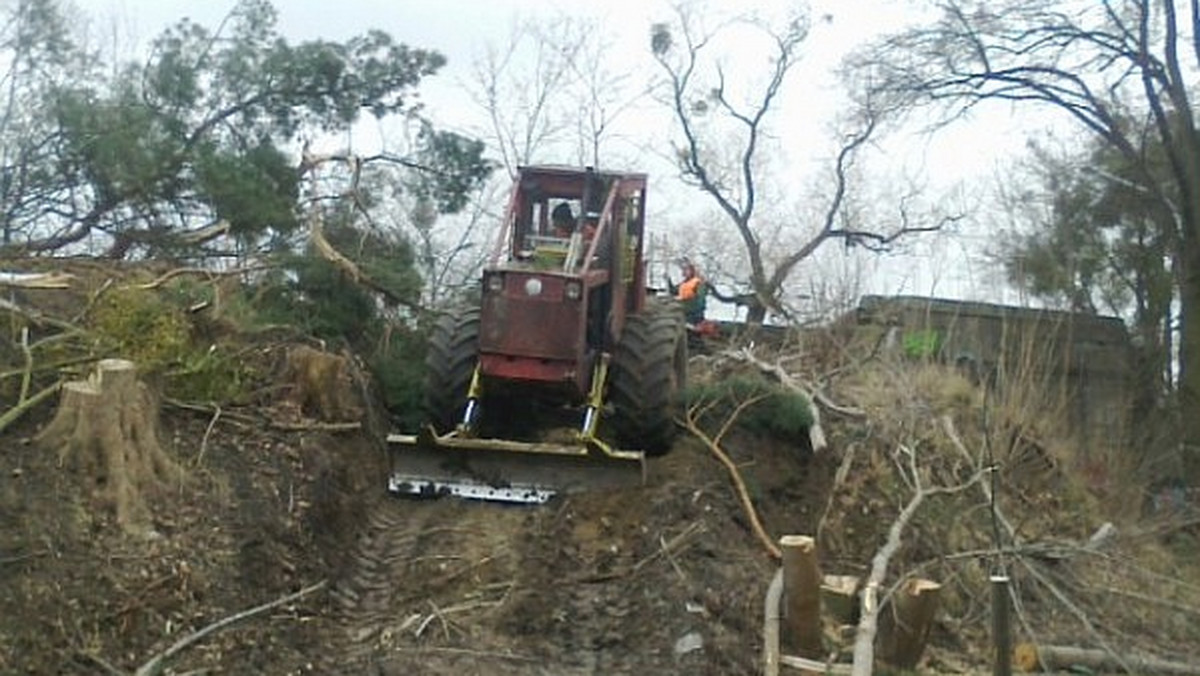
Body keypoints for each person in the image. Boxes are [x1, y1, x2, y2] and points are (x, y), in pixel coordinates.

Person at [673, 260, 707, 325]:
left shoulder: (698, 283)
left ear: (692, 271)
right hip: (682, 308)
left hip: (693, 312)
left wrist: (695, 309)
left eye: (687, 270)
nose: (685, 272)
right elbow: (674, 291)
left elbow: (700, 301)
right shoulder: (683, 284)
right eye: (684, 270)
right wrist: (668, 281)